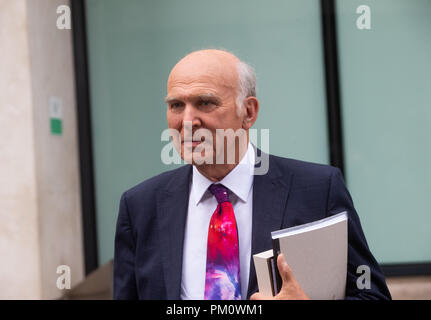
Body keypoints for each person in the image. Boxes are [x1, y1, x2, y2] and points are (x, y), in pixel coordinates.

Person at [113, 49, 391, 300]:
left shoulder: (317, 190)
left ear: (248, 111)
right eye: (176, 105)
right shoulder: (140, 206)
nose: (187, 121)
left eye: (205, 103)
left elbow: (372, 295)